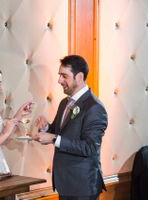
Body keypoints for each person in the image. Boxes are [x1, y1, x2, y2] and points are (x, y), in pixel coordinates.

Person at [33, 55, 108, 200]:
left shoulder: (94, 108)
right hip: (65, 182)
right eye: (59, 75)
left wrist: (54, 138)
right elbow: (58, 132)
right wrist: (46, 128)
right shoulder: (64, 103)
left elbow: (90, 147)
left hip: (83, 186)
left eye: (64, 76)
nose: (59, 80)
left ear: (79, 77)